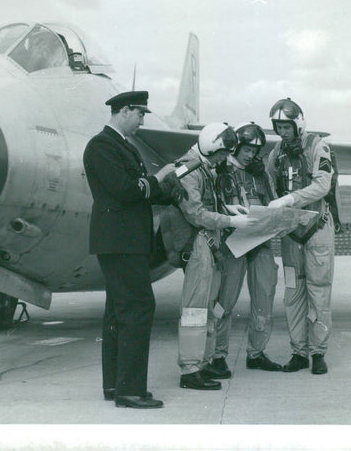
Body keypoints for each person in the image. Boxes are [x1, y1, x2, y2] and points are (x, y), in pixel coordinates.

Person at [83, 90, 178, 410]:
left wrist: (165, 187)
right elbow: (126, 190)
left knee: (118, 313)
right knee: (137, 309)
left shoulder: (120, 145)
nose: (141, 120)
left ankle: (116, 385)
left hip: (122, 241)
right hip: (121, 243)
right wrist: (159, 177)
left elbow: (138, 191)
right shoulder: (102, 146)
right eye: (139, 114)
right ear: (124, 111)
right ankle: (130, 391)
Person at [176, 122, 258, 390]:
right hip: (199, 244)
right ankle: (190, 369)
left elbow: (208, 203)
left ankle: (203, 362)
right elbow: (195, 213)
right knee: (195, 310)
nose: (225, 160)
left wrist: (228, 209)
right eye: (223, 154)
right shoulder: (189, 169)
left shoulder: (204, 168)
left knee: (209, 309)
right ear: (213, 148)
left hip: (210, 244)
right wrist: (230, 222)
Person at [205, 123, 283, 379]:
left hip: (260, 242)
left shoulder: (261, 174)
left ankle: (257, 353)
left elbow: (273, 203)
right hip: (231, 244)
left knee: (264, 297)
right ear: (236, 147)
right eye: (247, 149)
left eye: (255, 151)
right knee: (224, 301)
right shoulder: (220, 171)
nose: (251, 155)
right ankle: (217, 355)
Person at [265, 98, 335, 375]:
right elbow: (270, 182)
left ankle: (318, 353)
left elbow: (323, 184)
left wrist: (290, 199)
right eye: (278, 127)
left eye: (286, 126)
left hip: (317, 229)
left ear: (298, 124)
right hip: (291, 233)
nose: (282, 132)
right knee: (293, 294)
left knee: (319, 292)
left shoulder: (319, 146)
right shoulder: (277, 152)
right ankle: (298, 352)